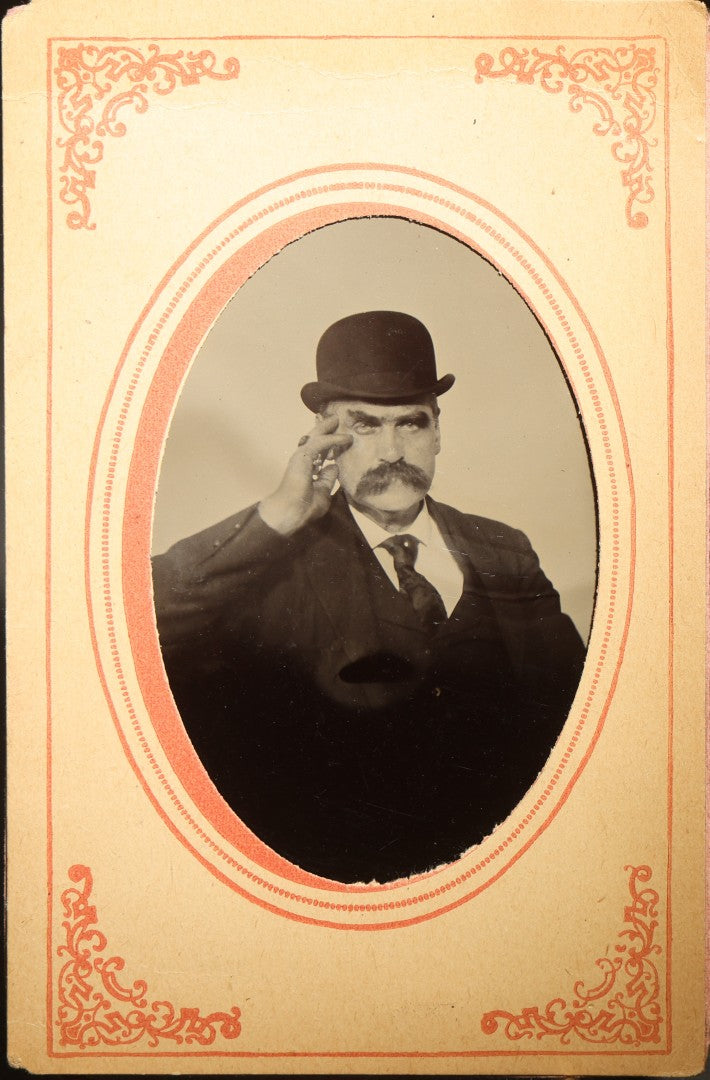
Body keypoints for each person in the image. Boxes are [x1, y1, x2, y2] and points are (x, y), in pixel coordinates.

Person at [152, 311, 586, 884]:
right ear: (325, 438)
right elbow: (137, 620)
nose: (390, 452)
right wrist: (277, 515)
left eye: (410, 424)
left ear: (437, 432)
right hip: (343, 882)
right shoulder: (272, 560)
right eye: (365, 425)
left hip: (500, 875)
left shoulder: (503, 552)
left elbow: (573, 711)